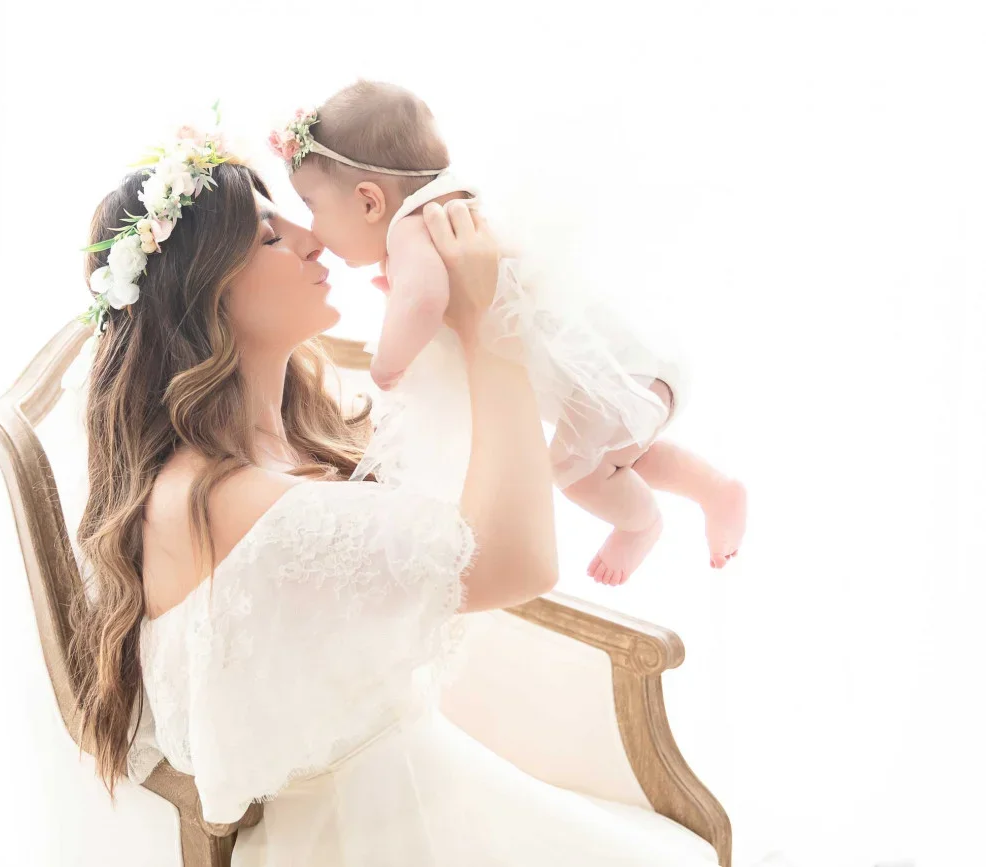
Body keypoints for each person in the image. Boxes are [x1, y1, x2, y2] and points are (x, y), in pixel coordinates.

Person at [66, 125, 713, 865]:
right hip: (363, 832)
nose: (313, 239)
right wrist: (488, 323)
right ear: (208, 297)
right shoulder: (217, 498)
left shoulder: (283, 441)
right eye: (270, 238)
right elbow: (521, 561)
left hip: (416, 779)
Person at [270, 81, 747, 585]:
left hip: (610, 376)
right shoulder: (453, 207)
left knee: (576, 473)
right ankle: (714, 489)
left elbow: (424, 300)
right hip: (628, 366)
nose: (313, 231)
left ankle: (642, 525)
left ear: (369, 202)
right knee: (620, 454)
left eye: (311, 206)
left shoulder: (412, 228)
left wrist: (388, 362)